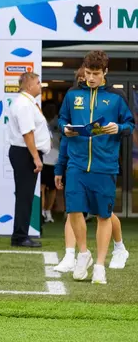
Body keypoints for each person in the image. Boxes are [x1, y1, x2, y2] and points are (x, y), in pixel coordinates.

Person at [58, 51, 134, 284]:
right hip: (77, 164)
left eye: (96, 74)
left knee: (103, 215)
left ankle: (100, 266)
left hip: (105, 165)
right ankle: (83, 254)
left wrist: (118, 128)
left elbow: (130, 124)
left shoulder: (117, 97)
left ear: (105, 73)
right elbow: (62, 120)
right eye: (88, 73)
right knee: (73, 210)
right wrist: (65, 129)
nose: (91, 78)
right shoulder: (72, 94)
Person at [7, 72, 51, 248]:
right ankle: (20, 236)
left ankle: (20, 234)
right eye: (38, 83)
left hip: (26, 153)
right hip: (25, 153)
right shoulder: (24, 104)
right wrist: (36, 158)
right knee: (25, 196)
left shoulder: (27, 103)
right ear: (29, 85)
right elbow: (28, 133)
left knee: (25, 195)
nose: (41, 85)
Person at [41, 101, 59, 223]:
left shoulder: (59, 123)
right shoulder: (41, 121)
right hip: (43, 159)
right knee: (42, 187)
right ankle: (42, 212)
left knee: (52, 188)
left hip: (55, 160)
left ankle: (47, 212)